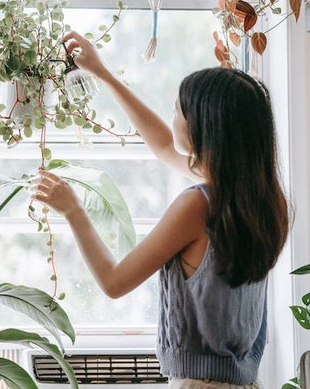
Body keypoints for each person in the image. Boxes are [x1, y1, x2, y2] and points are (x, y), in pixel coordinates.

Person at [32, 31, 289, 389]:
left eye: (176, 110)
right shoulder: (266, 201)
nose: (172, 117)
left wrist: (73, 209)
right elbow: (165, 145)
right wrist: (103, 74)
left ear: (203, 127)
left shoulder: (198, 206)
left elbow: (114, 281)